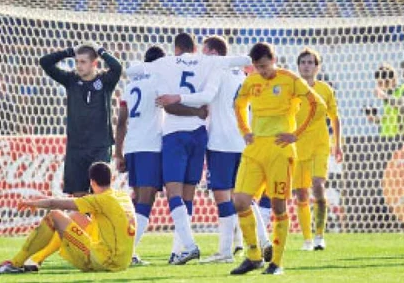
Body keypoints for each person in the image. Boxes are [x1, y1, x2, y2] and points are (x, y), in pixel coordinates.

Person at [125, 33, 251, 265]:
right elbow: (244, 59)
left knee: (174, 194)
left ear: (175, 49)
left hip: (174, 136)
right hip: (200, 134)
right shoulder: (207, 62)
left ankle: (189, 246)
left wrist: (150, 69)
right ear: (194, 48)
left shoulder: (165, 64)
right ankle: (178, 251)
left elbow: (131, 71)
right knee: (189, 196)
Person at [230, 42, 323, 275]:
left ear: (274, 60)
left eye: (264, 66)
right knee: (240, 200)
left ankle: (277, 263)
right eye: (257, 67)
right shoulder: (251, 81)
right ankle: (253, 257)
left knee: (278, 206)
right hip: (255, 149)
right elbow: (239, 104)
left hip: (280, 150)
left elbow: (316, 105)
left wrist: (296, 134)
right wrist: (245, 131)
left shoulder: (290, 79)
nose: (261, 71)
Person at [115, 45, 206, 265]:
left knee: (140, 202)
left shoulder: (131, 84)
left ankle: (131, 253)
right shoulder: (157, 81)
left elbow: (120, 122)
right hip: (150, 146)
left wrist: (118, 152)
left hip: (133, 147)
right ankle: (126, 253)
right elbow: (170, 107)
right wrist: (197, 111)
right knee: (146, 201)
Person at [0, 162, 136, 273]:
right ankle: (35, 259)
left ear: (92, 182)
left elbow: (54, 203)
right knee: (77, 217)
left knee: (55, 216)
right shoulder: (122, 196)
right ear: (111, 179)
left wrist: (32, 203)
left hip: (105, 261)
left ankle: (15, 263)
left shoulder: (100, 200)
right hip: (122, 262)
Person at [39, 42, 122, 197]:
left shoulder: (105, 81)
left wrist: (100, 50)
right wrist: (69, 51)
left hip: (100, 147)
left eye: (83, 62)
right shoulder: (70, 80)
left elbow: (117, 67)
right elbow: (45, 62)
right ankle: (82, 222)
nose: (78, 65)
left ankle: (99, 222)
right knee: (79, 199)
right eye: (76, 61)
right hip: (76, 149)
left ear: (94, 63)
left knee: (100, 195)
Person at [293, 48, 341, 251]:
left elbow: (334, 117)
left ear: (317, 66)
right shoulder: (292, 89)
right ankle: (307, 239)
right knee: (301, 194)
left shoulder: (325, 89)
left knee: (318, 186)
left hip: (320, 145)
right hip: (296, 147)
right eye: (303, 62)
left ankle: (320, 236)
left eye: (310, 62)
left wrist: (337, 145)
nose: (306, 65)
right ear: (298, 66)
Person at [366, 63, 404, 140]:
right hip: (384, 140)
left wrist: (385, 97)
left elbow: (403, 107)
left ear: (390, 80)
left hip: (401, 139)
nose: (379, 86)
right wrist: (375, 119)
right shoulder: (388, 96)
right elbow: (386, 121)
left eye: (380, 83)